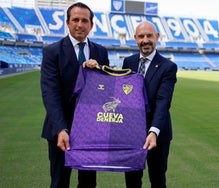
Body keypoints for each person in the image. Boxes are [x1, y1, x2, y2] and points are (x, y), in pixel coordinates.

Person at [40, 2, 109, 188]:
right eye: (75, 20)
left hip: (90, 131)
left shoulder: (101, 52)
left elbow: (107, 91)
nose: (80, 24)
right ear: (68, 23)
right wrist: (61, 128)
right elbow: (50, 93)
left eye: (84, 20)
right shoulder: (52, 51)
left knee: (88, 183)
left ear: (91, 25)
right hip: (61, 131)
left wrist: (100, 70)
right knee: (60, 182)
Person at [123, 21, 178, 188]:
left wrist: (153, 131)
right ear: (135, 39)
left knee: (157, 179)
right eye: (141, 36)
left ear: (157, 37)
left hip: (158, 134)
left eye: (149, 36)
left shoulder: (168, 67)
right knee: (132, 181)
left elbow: (163, 101)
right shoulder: (128, 62)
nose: (145, 40)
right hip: (132, 133)